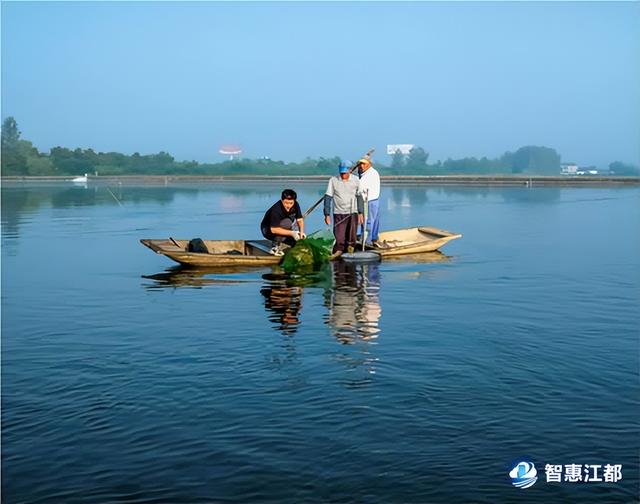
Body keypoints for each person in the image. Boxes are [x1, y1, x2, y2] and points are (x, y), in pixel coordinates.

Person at [323, 161, 364, 254]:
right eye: (341, 173)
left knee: (351, 235)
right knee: (339, 236)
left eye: (345, 173)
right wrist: (327, 214)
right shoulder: (333, 180)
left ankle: (350, 250)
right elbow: (328, 197)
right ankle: (339, 250)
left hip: (353, 211)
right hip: (339, 212)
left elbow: (359, 197)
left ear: (350, 170)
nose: (343, 175)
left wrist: (361, 213)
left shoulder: (356, 180)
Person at [260, 189, 306, 256]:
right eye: (286, 203)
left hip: (284, 229)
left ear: (294, 201)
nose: (288, 206)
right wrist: (292, 233)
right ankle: (275, 247)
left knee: (296, 242)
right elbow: (274, 230)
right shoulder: (276, 209)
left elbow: (300, 220)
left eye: (291, 203)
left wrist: (301, 234)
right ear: (282, 201)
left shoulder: (296, 205)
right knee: (287, 222)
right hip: (268, 230)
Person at [357, 157, 382, 247]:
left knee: (368, 221)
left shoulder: (371, 174)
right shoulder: (365, 174)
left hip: (370, 201)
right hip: (372, 200)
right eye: (360, 164)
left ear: (369, 165)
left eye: (364, 164)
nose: (362, 166)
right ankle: (373, 238)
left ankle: (368, 240)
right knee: (373, 221)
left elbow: (359, 188)